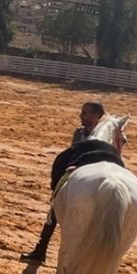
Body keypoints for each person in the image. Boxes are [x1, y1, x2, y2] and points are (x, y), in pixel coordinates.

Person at [20, 100, 106, 263]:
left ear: (95, 116)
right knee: (55, 206)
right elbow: (73, 153)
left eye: (85, 113)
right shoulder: (79, 133)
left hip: (93, 176)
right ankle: (40, 250)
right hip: (75, 172)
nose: (80, 115)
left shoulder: (103, 135)